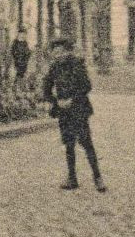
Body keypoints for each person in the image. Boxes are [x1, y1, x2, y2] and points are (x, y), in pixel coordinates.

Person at [42, 36, 104, 191]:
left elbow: (86, 87)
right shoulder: (55, 67)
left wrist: (72, 100)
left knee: (86, 143)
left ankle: (98, 178)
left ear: (67, 51)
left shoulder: (77, 65)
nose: (58, 55)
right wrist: (55, 101)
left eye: (60, 52)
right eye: (55, 52)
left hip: (79, 109)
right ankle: (72, 178)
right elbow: (46, 87)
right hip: (64, 112)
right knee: (69, 144)